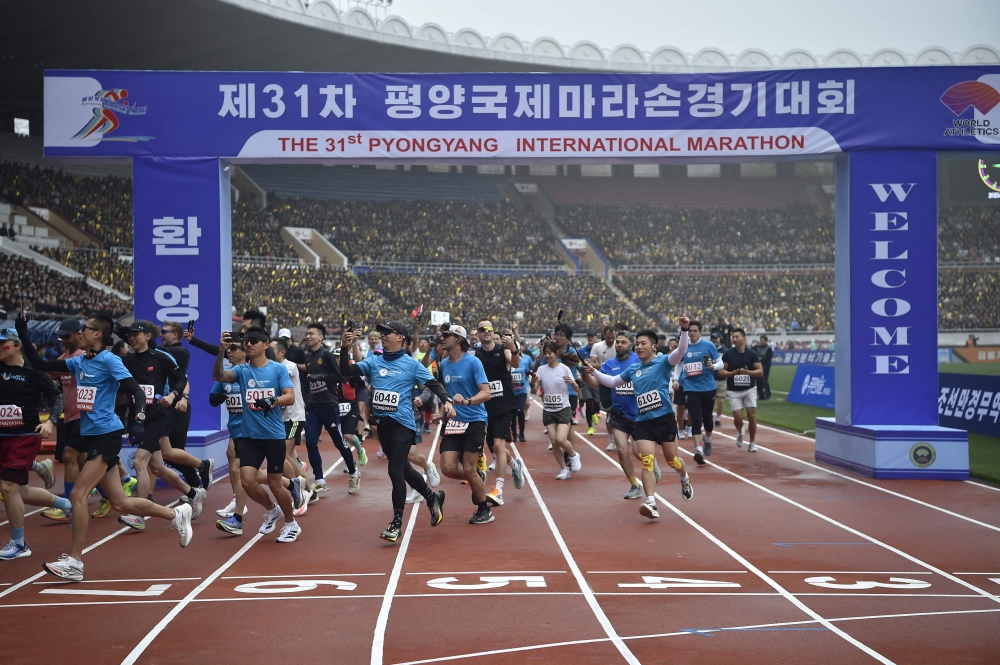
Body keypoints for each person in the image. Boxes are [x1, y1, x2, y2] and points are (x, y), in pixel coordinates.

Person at [15, 314, 193, 581]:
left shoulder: (110, 360)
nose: (80, 332)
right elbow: (40, 363)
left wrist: (139, 420)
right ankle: (176, 514)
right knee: (120, 502)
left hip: (107, 434)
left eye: (85, 329)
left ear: (97, 334)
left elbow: (136, 391)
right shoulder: (78, 361)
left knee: (78, 495)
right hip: (91, 435)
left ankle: (75, 562)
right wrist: (23, 333)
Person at [339, 321, 447, 542]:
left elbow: (433, 384)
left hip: (403, 424)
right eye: (382, 332)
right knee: (405, 470)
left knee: (394, 470)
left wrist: (447, 402)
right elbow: (345, 371)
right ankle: (432, 497)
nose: (383, 335)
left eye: (388, 332)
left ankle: (396, 523)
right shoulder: (374, 361)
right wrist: (344, 347)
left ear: (401, 338)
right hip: (383, 425)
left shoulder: (411, 364)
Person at [584, 317, 694, 519]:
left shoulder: (663, 361)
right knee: (647, 460)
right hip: (643, 421)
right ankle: (651, 502)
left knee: (672, 461)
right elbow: (611, 382)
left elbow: (680, 351)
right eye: (638, 344)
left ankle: (684, 478)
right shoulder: (633, 369)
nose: (639, 347)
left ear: (653, 346)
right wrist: (594, 371)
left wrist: (684, 330)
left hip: (664, 419)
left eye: (644, 344)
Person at [117, 321, 209, 531]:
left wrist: (173, 395)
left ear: (148, 336)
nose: (132, 338)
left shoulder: (162, 356)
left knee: (140, 463)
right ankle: (194, 493)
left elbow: (181, 379)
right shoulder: (128, 360)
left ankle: (139, 515)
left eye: (136, 335)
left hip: (158, 416)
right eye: (129, 335)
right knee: (156, 466)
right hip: (137, 417)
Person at [212, 327, 301, 543]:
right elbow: (219, 376)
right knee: (247, 481)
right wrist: (221, 352)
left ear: (264, 344)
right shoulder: (242, 371)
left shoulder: (278, 370)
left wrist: (272, 400)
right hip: (250, 437)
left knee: (275, 483)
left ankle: (291, 524)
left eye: (253, 341)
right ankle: (272, 510)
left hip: (273, 437)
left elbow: (289, 397)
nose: (248, 344)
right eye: (246, 341)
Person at [0, 328, 74, 559]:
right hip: (1, 437)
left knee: (7, 487)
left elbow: (58, 397)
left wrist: (51, 422)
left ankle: (19, 544)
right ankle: (67, 505)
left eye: (3, 344)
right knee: (21, 492)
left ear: (17, 345)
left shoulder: (34, 371)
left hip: (24, 436)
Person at [437, 324, 495, 523]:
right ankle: (478, 475)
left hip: (475, 420)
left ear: (458, 339)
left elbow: (487, 392)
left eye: (446, 335)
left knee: (468, 469)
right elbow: (444, 394)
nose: (442, 338)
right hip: (453, 422)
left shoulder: (473, 362)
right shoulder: (444, 364)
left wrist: (468, 400)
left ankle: (484, 510)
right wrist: (440, 412)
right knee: (447, 468)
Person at [582, 330, 646, 499]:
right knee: (622, 450)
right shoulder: (609, 364)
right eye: (618, 342)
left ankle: (651, 466)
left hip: (640, 415)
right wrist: (588, 373)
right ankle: (634, 485)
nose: (619, 345)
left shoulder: (639, 360)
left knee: (638, 453)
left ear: (631, 344)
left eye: (623, 342)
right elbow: (595, 383)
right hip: (618, 414)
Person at [298, 323, 360, 495]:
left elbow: (339, 377)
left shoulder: (326, 355)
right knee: (310, 442)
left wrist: (321, 377)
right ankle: (320, 479)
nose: (308, 336)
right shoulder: (309, 358)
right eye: (306, 333)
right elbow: (308, 382)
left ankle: (354, 473)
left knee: (340, 443)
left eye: (311, 333)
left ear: (321, 337)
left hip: (329, 407)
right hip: (314, 409)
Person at [472, 320, 525, 507]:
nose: (486, 332)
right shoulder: (475, 355)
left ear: (493, 332)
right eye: (482, 329)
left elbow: (516, 363)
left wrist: (515, 349)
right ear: (478, 334)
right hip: (485, 407)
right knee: (495, 449)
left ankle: (499, 490)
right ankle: (515, 465)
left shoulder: (504, 350)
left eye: (489, 329)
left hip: (504, 405)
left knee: (498, 444)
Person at [211, 341, 250, 535]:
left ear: (245, 351)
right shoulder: (225, 375)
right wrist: (223, 394)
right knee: (248, 473)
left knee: (238, 470)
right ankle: (292, 484)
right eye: (228, 350)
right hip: (235, 428)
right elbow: (212, 399)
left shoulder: (251, 372)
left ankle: (238, 516)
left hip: (252, 429)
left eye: (234, 349)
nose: (230, 353)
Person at [535, 341, 582, 479]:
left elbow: (577, 389)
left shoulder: (564, 368)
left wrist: (572, 382)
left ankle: (573, 455)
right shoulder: (541, 369)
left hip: (563, 408)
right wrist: (533, 381)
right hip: (548, 409)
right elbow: (533, 389)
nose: (548, 355)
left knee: (561, 439)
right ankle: (564, 470)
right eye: (546, 353)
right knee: (554, 442)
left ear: (556, 353)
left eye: (550, 353)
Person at [678, 321, 723, 465]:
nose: (692, 333)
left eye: (695, 331)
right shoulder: (683, 346)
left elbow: (720, 363)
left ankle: (708, 439)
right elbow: (678, 364)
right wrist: (675, 379)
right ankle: (699, 451)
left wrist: (713, 366)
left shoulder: (709, 346)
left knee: (708, 420)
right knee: (695, 419)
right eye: (690, 330)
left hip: (708, 388)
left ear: (700, 332)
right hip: (691, 388)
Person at [719, 328, 764, 453]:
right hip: (734, 391)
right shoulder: (728, 354)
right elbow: (722, 372)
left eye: (737, 336)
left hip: (749, 389)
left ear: (744, 338)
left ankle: (752, 443)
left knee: (752, 416)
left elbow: (760, 371)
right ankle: (740, 431)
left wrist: (747, 372)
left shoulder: (752, 354)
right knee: (738, 418)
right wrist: (732, 373)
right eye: (733, 337)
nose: (734, 339)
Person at [509, 332, 533, 444]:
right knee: (513, 412)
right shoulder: (508, 360)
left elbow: (529, 371)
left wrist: (531, 375)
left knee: (520, 410)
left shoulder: (524, 361)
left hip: (522, 390)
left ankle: (522, 432)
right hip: (511, 391)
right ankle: (514, 432)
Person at [710, 332, 728, 428]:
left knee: (721, 400)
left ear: (720, 339)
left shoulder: (725, 350)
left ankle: (718, 419)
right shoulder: (708, 348)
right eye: (713, 338)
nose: (714, 340)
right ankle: (709, 415)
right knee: (709, 400)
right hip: (710, 378)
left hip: (721, 379)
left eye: (716, 338)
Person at [752, 335, 773, 400]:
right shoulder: (756, 347)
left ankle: (767, 394)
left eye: (762, 340)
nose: (761, 341)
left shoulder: (769, 349)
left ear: (766, 341)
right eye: (760, 340)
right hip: (758, 366)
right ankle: (761, 395)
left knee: (764, 380)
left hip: (766, 366)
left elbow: (768, 357)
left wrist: (760, 359)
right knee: (758, 381)